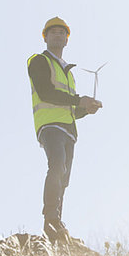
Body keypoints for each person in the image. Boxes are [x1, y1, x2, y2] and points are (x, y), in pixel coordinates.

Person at [27, 16, 102, 243]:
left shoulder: (68, 73)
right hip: (49, 125)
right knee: (56, 165)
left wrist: (86, 109)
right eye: (54, 32)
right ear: (45, 37)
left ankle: (57, 224)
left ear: (67, 39)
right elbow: (46, 93)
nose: (58, 35)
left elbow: (69, 108)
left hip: (68, 130)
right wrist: (79, 101)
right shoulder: (39, 61)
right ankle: (50, 220)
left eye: (62, 33)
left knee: (64, 178)